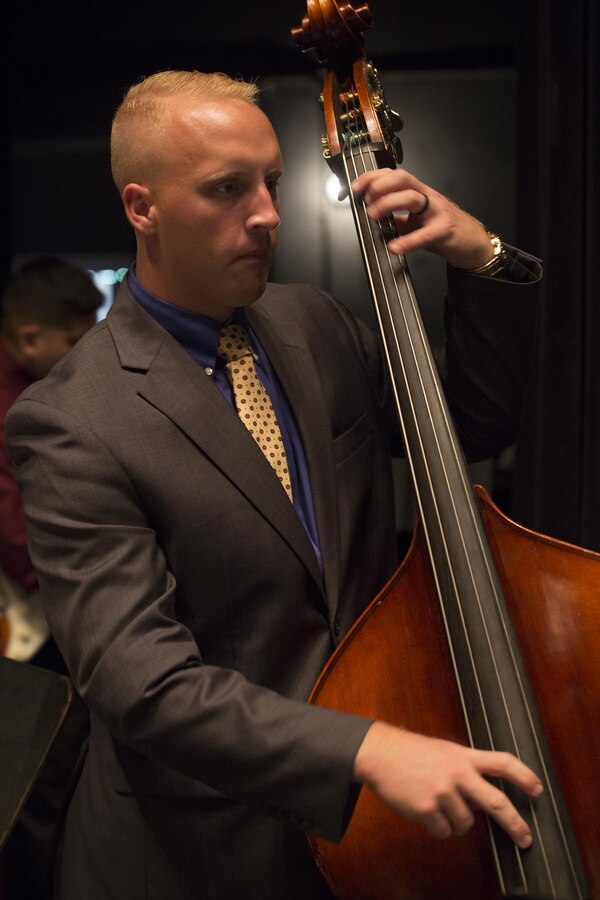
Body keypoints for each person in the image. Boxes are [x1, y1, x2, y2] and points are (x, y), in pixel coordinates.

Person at [6, 71, 542, 900]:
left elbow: (470, 429)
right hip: (195, 851)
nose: (266, 215)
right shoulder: (71, 419)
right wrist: (362, 748)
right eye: (227, 189)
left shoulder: (316, 322)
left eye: (271, 182)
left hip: (372, 838)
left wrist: (480, 255)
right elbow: (143, 683)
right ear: (142, 208)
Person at [0, 256, 102, 900]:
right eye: (74, 339)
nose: (84, 351)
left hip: (35, 611)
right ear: (32, 338)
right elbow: (14, 527)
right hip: (28, 622)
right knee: (33, 783)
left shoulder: (43, 387)